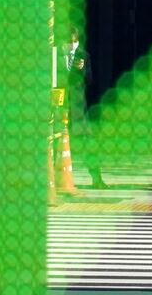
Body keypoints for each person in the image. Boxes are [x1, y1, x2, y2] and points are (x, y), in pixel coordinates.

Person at [61, 27, 107, 189]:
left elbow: (90, 79)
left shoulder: (83, 56)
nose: (72, 45)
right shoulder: (56, 55)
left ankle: (97, 179)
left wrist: (82, 70)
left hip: (78, 106)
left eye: (75, 41)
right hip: (59, 106)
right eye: (69, 42)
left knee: (88, 141)